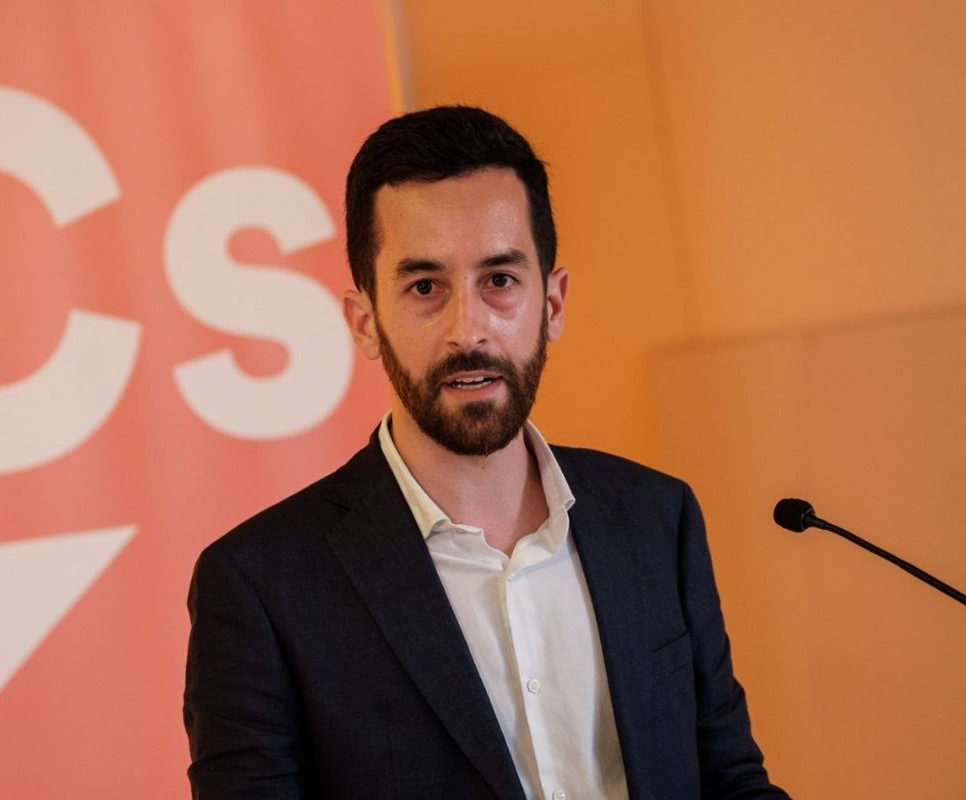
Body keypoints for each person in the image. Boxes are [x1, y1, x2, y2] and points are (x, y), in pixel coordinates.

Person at [183, 106, 787, 799]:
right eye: (425, 287)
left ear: (552, 303)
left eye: (499, 280)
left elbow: (730, 777)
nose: (468, 330)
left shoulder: (656, 518)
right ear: (365, 321)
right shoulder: (262, 585)